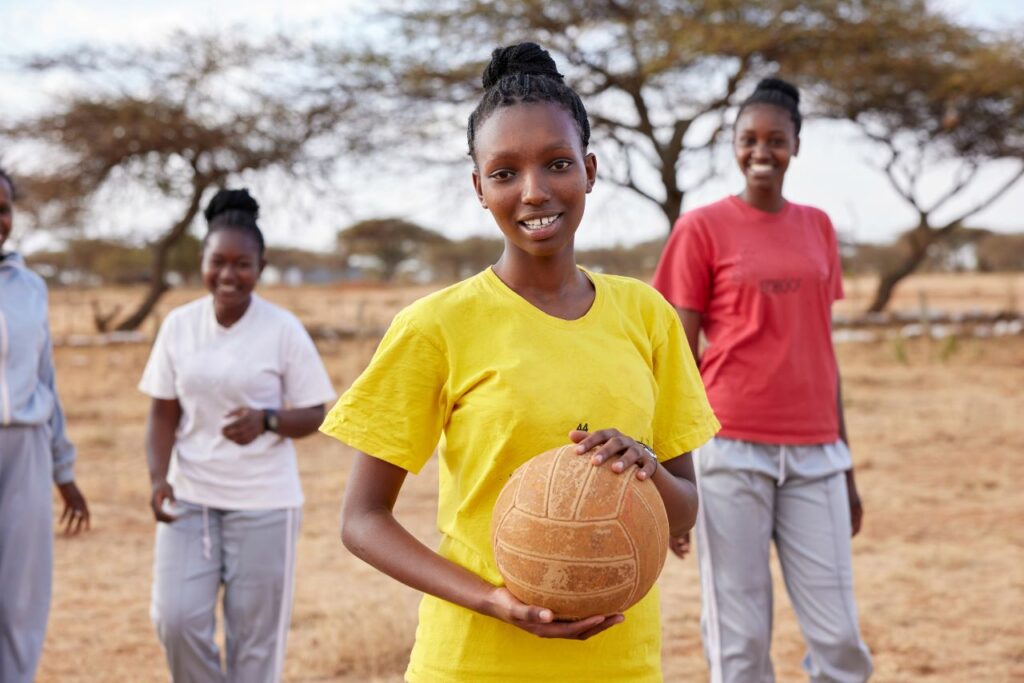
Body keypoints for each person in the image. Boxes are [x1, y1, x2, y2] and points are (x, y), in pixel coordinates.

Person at [321, 43, 719, 683]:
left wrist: (645, 469)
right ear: (479, 187)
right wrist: (492, 601)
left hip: (621, 665)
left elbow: (685, 508)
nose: (534, 192)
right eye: (505, 173)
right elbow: (363, 521)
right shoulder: (436, 326)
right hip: (475, 660)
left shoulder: (647, 316)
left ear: (589, 170)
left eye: (557, 164)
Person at [652, 78, 874, 682]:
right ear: (733, 145)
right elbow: (676, 360)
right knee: (739, 637)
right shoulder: (700, 229)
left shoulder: (818, 227)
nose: (761, 151)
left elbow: (820, 351)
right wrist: (676, 478)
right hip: (729, 451)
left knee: (839, 638)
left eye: (776, 140)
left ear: (796, 146)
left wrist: (847, 467)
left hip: (817, 456)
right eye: (748, 139)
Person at [139, 188, 335, 683]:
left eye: (242, 264)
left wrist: (268, 420)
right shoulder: (179, 326)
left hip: (264, 505)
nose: (229, 275)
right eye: (217, 262)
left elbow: (316, 412)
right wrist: (158, 479)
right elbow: (162, 414)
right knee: (176, 621)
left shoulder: (283, 330)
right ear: (201, 262)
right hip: (190, 502)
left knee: (254, 645)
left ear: (261, 266)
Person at [0, 167, 91, 683]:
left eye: (4, 208)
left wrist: (63, 469)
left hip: (27, 452)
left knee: (21, 599)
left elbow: (45, 381)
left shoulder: (30, 287)